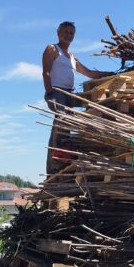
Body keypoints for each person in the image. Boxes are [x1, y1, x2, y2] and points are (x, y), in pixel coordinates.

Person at [42, 21, 112, 174]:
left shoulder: (72, 57)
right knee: (61, 122)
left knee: (66, 126)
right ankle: (55, 163)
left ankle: (62, 162)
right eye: (66, 32)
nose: (68, 35)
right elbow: (46, 72)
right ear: (58, 33)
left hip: (69, 94)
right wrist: (49, 93)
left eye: (71, 33)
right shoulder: (53, 49)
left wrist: (108, 74)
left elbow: (89, 73)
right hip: (57, 92)